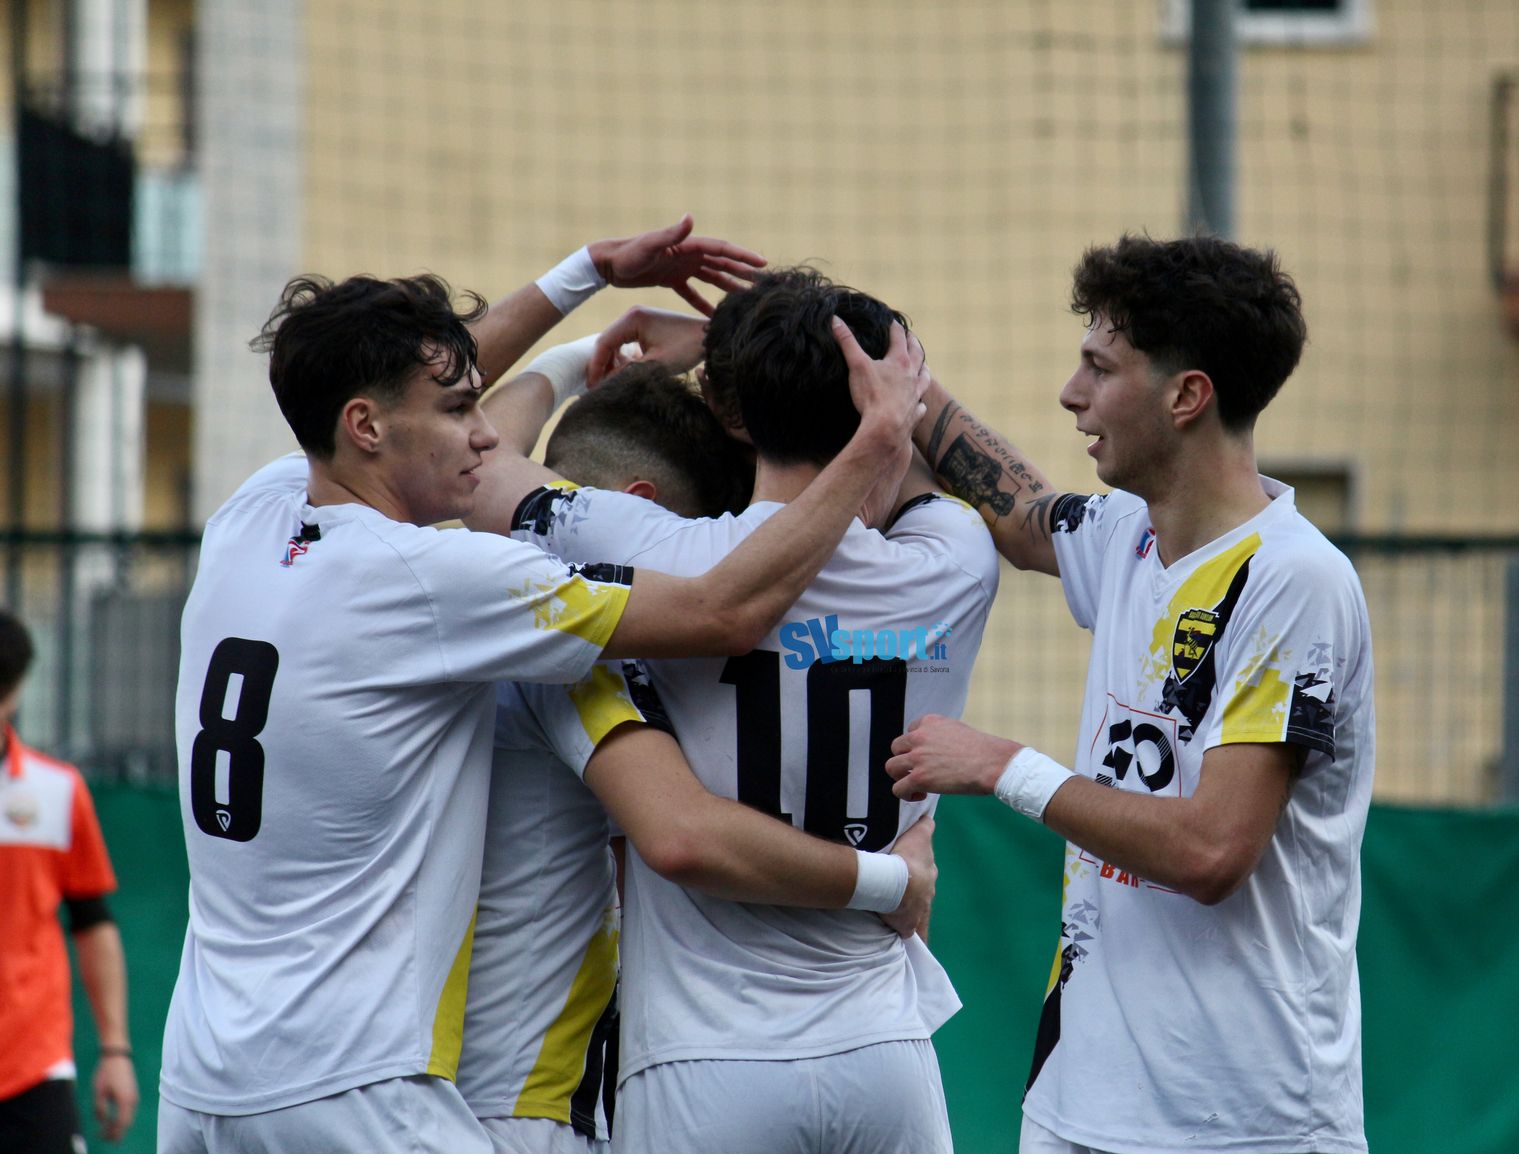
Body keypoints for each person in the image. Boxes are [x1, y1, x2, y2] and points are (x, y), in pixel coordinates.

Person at [157, 220, 930, 1154]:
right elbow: (722, 614)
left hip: (200, 1070)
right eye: (458, 412)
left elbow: (408, 402)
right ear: (364, 427)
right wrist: (875, 442)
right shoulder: (444, 582)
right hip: (352, 1084)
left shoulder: (254, 513)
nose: (486, 433)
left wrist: (584, 294)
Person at [468, 268, 1002, 1154]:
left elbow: (482, 457)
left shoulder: (656, 550)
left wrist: (588, 354)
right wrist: (880, 400)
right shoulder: (955, 561)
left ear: (727, 410)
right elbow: (923, 468)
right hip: (885, 1049)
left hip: (706, 1059)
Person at [883, 234, 1375, 1154]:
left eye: (1100, 368)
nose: (1071, 394)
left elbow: (1211, 851)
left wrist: (1003, 767)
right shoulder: (1129, 536)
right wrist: (885, 366)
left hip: (1242, 1122)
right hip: (1078, 1100)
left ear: (1187, 397)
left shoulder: (1294, 579)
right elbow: (1020, 513)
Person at [0, 608, 138, 1153]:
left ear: (13, 690)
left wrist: (116, 1050)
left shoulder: (55, 792)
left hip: (32, 1068)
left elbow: (92, 920)